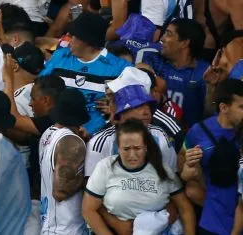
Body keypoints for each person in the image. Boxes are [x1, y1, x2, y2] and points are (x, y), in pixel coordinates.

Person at [83, 118, 196, 235]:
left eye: (137, 148)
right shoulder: (105, 167)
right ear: (118, 148)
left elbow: (185, 208)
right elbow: (89, 210)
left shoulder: (161, 169)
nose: (132, 155)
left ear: (145, 147)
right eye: (126, 149)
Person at [39, 12, 131, 135]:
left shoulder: (120, 68)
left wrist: (117, 106)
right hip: (57, 128)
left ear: (87, 40)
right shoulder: (60, 56)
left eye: (73, 36)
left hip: (99, 133)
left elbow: (134, 101)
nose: (68, 40)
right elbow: (40, 87)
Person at [181, 79, 243, 235]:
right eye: (242, 107)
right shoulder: (197, 131)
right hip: (212, 221)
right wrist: (188, 168)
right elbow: (183, 171)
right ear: (224, 107)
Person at [38, 89, 90, 235]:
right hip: (66, 229)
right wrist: (90, 179)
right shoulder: (71, 141)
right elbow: (61, 192)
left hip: (51, 226)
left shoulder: (48, 133)